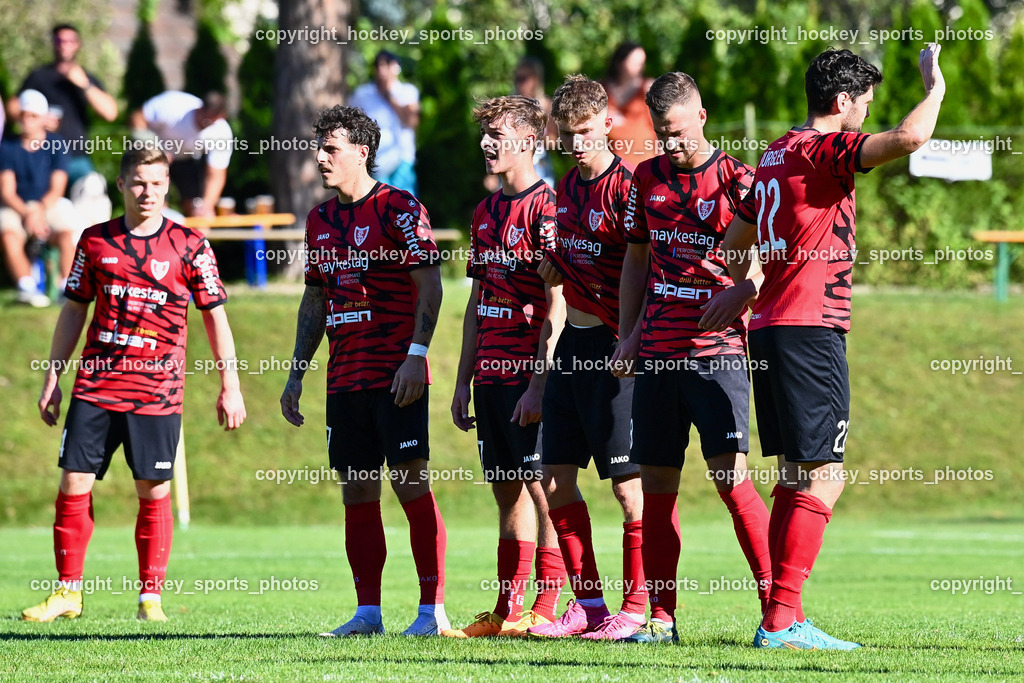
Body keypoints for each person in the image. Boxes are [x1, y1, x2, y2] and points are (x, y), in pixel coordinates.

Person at [699, 45, 945, 650]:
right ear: (841, 101)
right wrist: (934, 86)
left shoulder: (775, 152)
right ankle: (782, 620)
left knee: (792, 474)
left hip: (771, 330)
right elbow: (911, 139)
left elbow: (736, 232)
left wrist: (748, 285)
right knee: (826, 476)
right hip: (811, 328)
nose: (865, 111)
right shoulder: (824, 147)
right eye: (863, 102)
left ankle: (782, 618)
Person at [21, 146, 246, 623]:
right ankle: (67, 593)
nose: (149, 193)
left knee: (154, 491)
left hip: (156, 391)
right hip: (96, 386)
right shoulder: (94, 241)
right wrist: (53, 376)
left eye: (158, 184)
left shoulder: (190, 245)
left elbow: (215, 319)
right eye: (139, 183)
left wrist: (231, 384)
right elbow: (74, 310)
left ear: (168, 187)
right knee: (73, 482)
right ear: (121, 184)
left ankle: (150, 599)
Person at [609, 72, 772, 644]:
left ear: (701, 116)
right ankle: (662, 618)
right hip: (656, 350)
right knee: (656, 483)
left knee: (730, 478)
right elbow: (635, 260)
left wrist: (744, 289)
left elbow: (773, 254)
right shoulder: (645, 177)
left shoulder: (740, 180)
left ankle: (776, 615)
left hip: (717, 350)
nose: (670, 145)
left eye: (677, 132)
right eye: (660, 135)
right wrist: (628, 335)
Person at [280, 105, 448, 637]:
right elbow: (315, 301)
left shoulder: (399, 207)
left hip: (396, 374)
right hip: (344, 378)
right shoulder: (320, 220)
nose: (321, 157)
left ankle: (431, 611)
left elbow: (431, 285)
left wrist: (416, 357)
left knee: (411, 484)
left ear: (362, 151)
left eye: (331, 148)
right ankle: (368, 612)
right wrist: (296, 373)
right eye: (320, 147)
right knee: (357, 490)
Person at [524, 75, 647, 640]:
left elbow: (650, 273)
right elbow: (571, 263)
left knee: (628, 487)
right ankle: (590, 604)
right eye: (565, 134)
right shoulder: (566, 192)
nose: (576, 143)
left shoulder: (629, 190)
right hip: (571, 344)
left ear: (606, 123)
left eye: (583, 131)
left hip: (615, 349)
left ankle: (639, 607)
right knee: (554, 480)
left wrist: (632, 338)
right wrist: (553, 271)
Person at [443, 95, 566, 638]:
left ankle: (549, 603)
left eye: (498, 133)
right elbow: (476, 301)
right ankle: (507, 608)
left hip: (529, 373)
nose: (487, 143)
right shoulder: (485, 210)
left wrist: (540, 382)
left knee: (543, 487)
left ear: (529, 141)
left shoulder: (549, 208)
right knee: (505, 489)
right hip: (490, 373)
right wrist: (462, 380)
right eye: (485, 134)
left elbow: (558, 302)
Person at [14, 23, 118, 188]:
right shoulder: (40, 76)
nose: (64, 45)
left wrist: (83, 84)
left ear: (78, 44)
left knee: (93, 191)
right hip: (44, 155)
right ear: (54, 43)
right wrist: (38, 119)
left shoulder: (86, 78)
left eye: (70, 41)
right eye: (60, 41)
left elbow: (110, 113)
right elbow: (13, 107)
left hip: (77, 157)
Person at [1, 89, 78, 307]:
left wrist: (37, 211)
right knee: (9, 236)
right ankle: (27, 288)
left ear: (44, 118)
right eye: (23, 115)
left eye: (33, 116)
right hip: (16, 206)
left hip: (48, 204)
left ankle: (67, 288)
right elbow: (7, 191)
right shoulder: (7, 147)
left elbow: (57, 189)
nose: (26, 121)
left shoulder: (57, 144)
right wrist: (28, 214)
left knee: (66, 235)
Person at [129, 91, 234, 217]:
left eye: (212, 123)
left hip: (186, 159)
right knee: (155, 205)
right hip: (155, 159)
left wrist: (207, 205)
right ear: (200, 109)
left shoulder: (221, 132)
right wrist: (154, 151)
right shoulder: (173, 105)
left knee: (196, 209)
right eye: (206, 121)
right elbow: (137, 118)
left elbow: (216, 174)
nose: (207, 125)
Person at [349, 51, 420, 195]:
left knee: (406, 209)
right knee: (379, 210)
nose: (381, 69)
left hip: (402, 159)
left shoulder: (407, 91)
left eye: (386, 64)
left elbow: (411, 122)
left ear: (396, 67)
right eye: (378, 65)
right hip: (375, 163)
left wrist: (389, 96)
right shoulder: (362, 94)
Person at [602, 42, 658, 163]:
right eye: (634, 63)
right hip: (612, 165)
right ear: (620, 62)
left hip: (644, 161)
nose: (640, 67)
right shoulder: (601, 89)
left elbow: (661, 126)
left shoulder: (649, 88)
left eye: (642, 63)